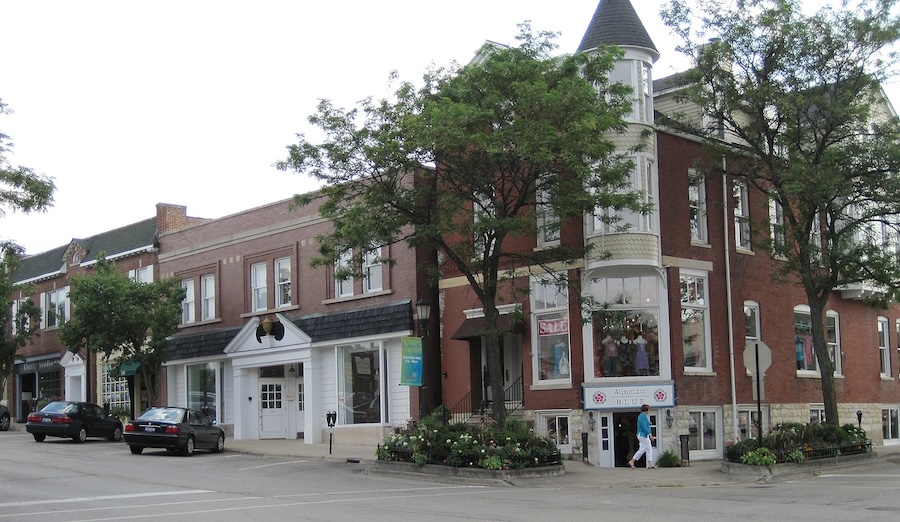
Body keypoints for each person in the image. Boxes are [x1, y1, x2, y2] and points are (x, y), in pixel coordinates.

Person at [629, 404, 656, 469]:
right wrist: (650, 435)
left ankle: (650, 463)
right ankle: (632, 461)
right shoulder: (642, 417)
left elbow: (645, 424)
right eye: (649, 409)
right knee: (643, 449)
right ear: (646, 410)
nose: (649, 410)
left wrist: (649, 423)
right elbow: (644, 427)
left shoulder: (643, 416)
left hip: (644, 435)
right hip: (643, 435)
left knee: (649, 448)